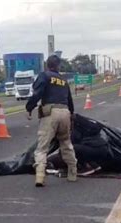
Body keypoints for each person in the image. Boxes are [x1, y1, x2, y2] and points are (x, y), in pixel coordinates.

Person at [26, 55, 77, 187]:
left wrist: (29, 107)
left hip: (50, 113)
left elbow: (37, 93)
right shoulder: (64, 80)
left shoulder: (44, 76)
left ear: (47, 65)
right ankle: (73, 173)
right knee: (66, 143)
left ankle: (40, 176)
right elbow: (70, 100)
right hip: (65, 112)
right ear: (59, 66)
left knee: (42, 147)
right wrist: (71, 115)